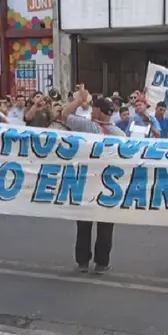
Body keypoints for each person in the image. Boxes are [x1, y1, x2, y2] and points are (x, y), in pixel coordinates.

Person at [62, 86, 125, 274]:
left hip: (87, 181)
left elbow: (65, 114)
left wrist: (78, 100)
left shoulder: (88, 127)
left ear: (97, 111)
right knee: (106, 226)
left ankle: (82, 261)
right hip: (109, 184)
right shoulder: (121, 135)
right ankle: (102, 263)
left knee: (84, 225)